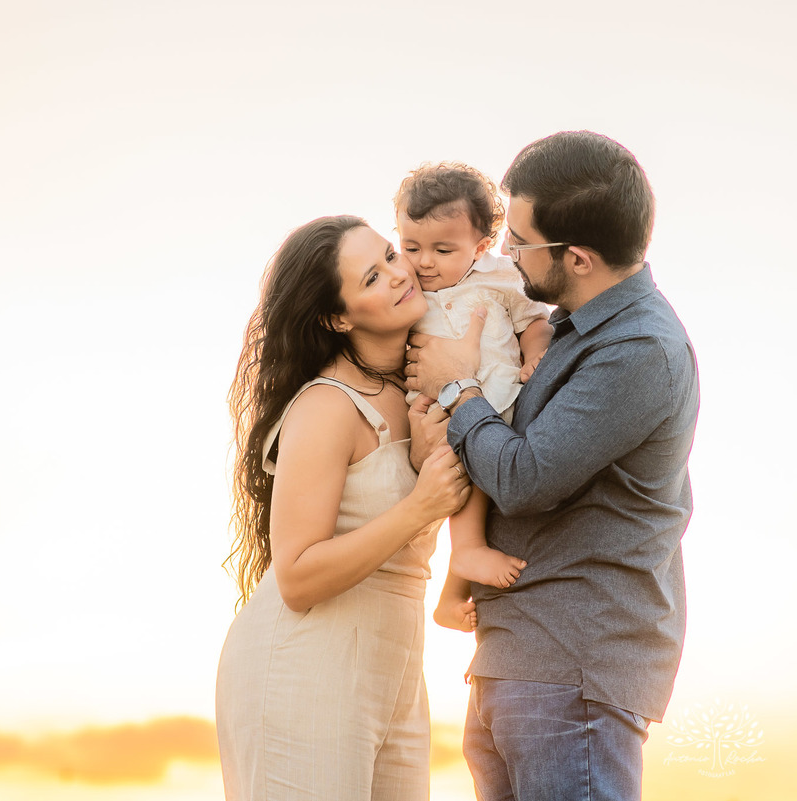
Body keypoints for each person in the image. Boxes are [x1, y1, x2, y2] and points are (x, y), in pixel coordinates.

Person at [406, 131, 699, 801]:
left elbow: (524, 477)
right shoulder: (568, 324)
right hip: (521, 663)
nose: (505, 252)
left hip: (573, 675)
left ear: (579, 257)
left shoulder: (638, 351)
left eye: (518, 241)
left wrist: (458, 387)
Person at [215, 215, 471, 801]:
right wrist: (419, 506)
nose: (401, 275)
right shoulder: (329, 406)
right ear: (338, 317)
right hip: (306, 664)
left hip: (396, 667)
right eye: (373, 278)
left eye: (391, 255)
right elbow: (298, 577)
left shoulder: (421, 387)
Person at [393, 162, 552, 617]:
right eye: (411, 246)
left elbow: (534, 321)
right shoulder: (405, 284)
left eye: (443, 250)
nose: (424, 261)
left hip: (496, 395)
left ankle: (453, 586)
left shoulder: (500, 277)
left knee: (482, 466)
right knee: (454, 470)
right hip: (434, 408)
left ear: (480, 247)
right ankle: (460, 564)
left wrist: (536, 354)